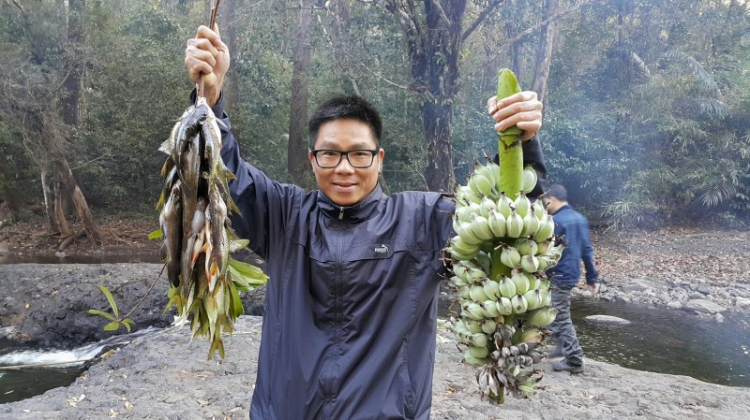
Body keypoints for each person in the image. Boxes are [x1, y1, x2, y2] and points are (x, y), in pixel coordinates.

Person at [184, 24, 546, 420]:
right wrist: (210, 100)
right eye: (330, 154)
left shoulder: (423, 221)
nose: (344, 169)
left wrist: (522, 143)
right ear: (312, 159)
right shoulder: (284, 216)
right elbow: (223, 177)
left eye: (359, 154)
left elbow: (504, 219)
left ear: (379, 158)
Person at [543, 184, 599, 374]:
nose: (544, 205)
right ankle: (561, 346)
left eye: (545, 202)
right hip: (571, 273)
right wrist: (592, 277)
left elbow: (543, 250)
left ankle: (574, 359)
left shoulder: (554, 221)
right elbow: (587, 250)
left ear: (551, 200)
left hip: (557, 274)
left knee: (561, 316)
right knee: (553, 310)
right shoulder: (579, 219)